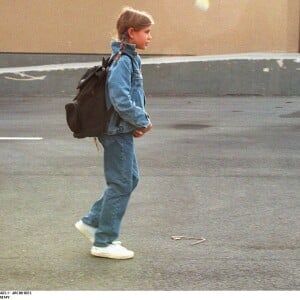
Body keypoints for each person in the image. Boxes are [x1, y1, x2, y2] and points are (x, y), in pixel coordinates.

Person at [75, 7, 154, 260]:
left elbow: (130, 97)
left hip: (122, 128)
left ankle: (91, 222)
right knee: (121, 182)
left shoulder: (128, 58)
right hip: (116, 131)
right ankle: (104, 241)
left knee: (129, 179)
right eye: (146, 32)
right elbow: (121, 99)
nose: (150, 37)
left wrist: (136, 123)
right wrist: (142, 120)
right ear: (131, 33)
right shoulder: (123, 61)